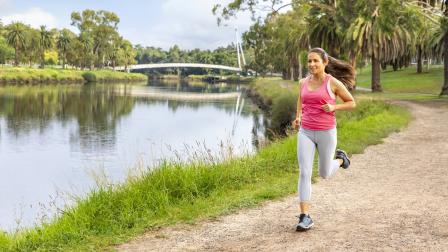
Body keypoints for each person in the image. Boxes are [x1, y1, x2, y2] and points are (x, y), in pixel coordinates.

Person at [293, 48, 356, 231]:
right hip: (305, 132)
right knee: (304, 172)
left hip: (326, 131)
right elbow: (300, 100)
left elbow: (351, 102)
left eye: (315, 61)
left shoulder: (333, 83)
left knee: (324, 173)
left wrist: (334, 106)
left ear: (325, 62)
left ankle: (341, 159)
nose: (312, 64)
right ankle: (305, 217)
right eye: (309, 61)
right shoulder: (302, 82)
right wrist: (298, 117)